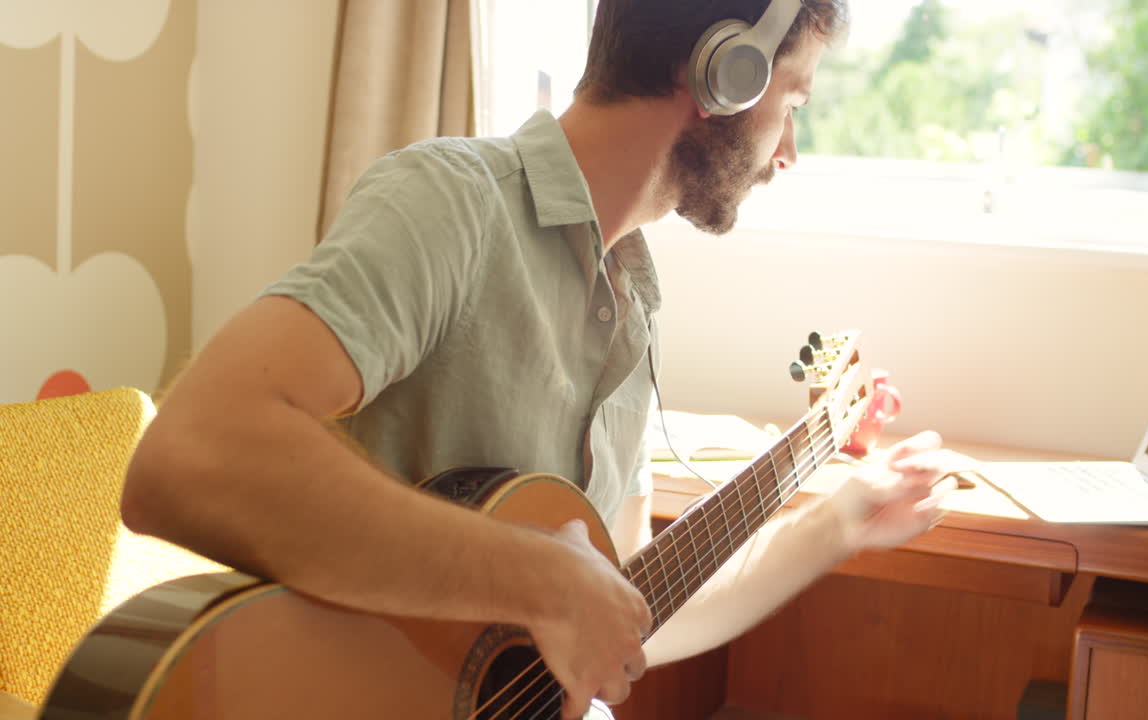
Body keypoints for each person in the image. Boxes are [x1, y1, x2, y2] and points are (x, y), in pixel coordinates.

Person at [121, 1, 959, 718]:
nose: (788, 153)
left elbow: (624, 606)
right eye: (794, 101)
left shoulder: (632, 300)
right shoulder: (452, 204)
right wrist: (540, 581)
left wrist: (842, 517)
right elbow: (192, 455)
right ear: (722, 77)